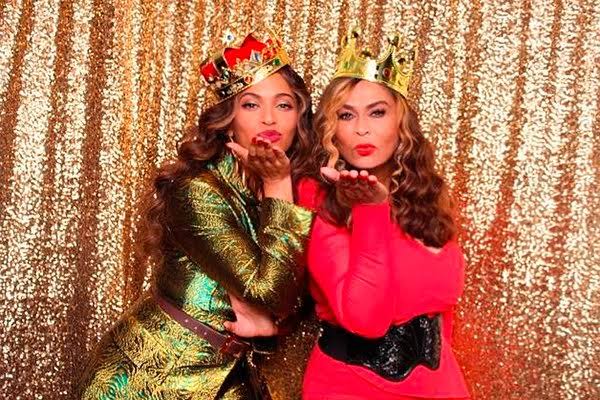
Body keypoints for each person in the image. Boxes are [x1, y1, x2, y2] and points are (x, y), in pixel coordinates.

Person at [78, 27, 317, 399]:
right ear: (228, 121)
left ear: (299, 118)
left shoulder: (295, 193)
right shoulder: (198, 190)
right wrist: (277, 185)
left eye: (283, 105)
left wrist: (274, 327)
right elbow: (270, 291)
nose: (269, 119)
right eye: (251, 105)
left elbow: (300, 293)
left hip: (227, 377)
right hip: (150, 379)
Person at [298, 30, 470, 399]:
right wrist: (369, 210)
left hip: (439, 387)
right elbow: (366, 318)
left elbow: (443, 314)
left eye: (377, 112)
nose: (362, 128)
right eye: (346, 115)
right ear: (332, 130)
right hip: (348, 389)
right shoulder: (317, 198)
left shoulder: (427, 196)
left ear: (400, 123)